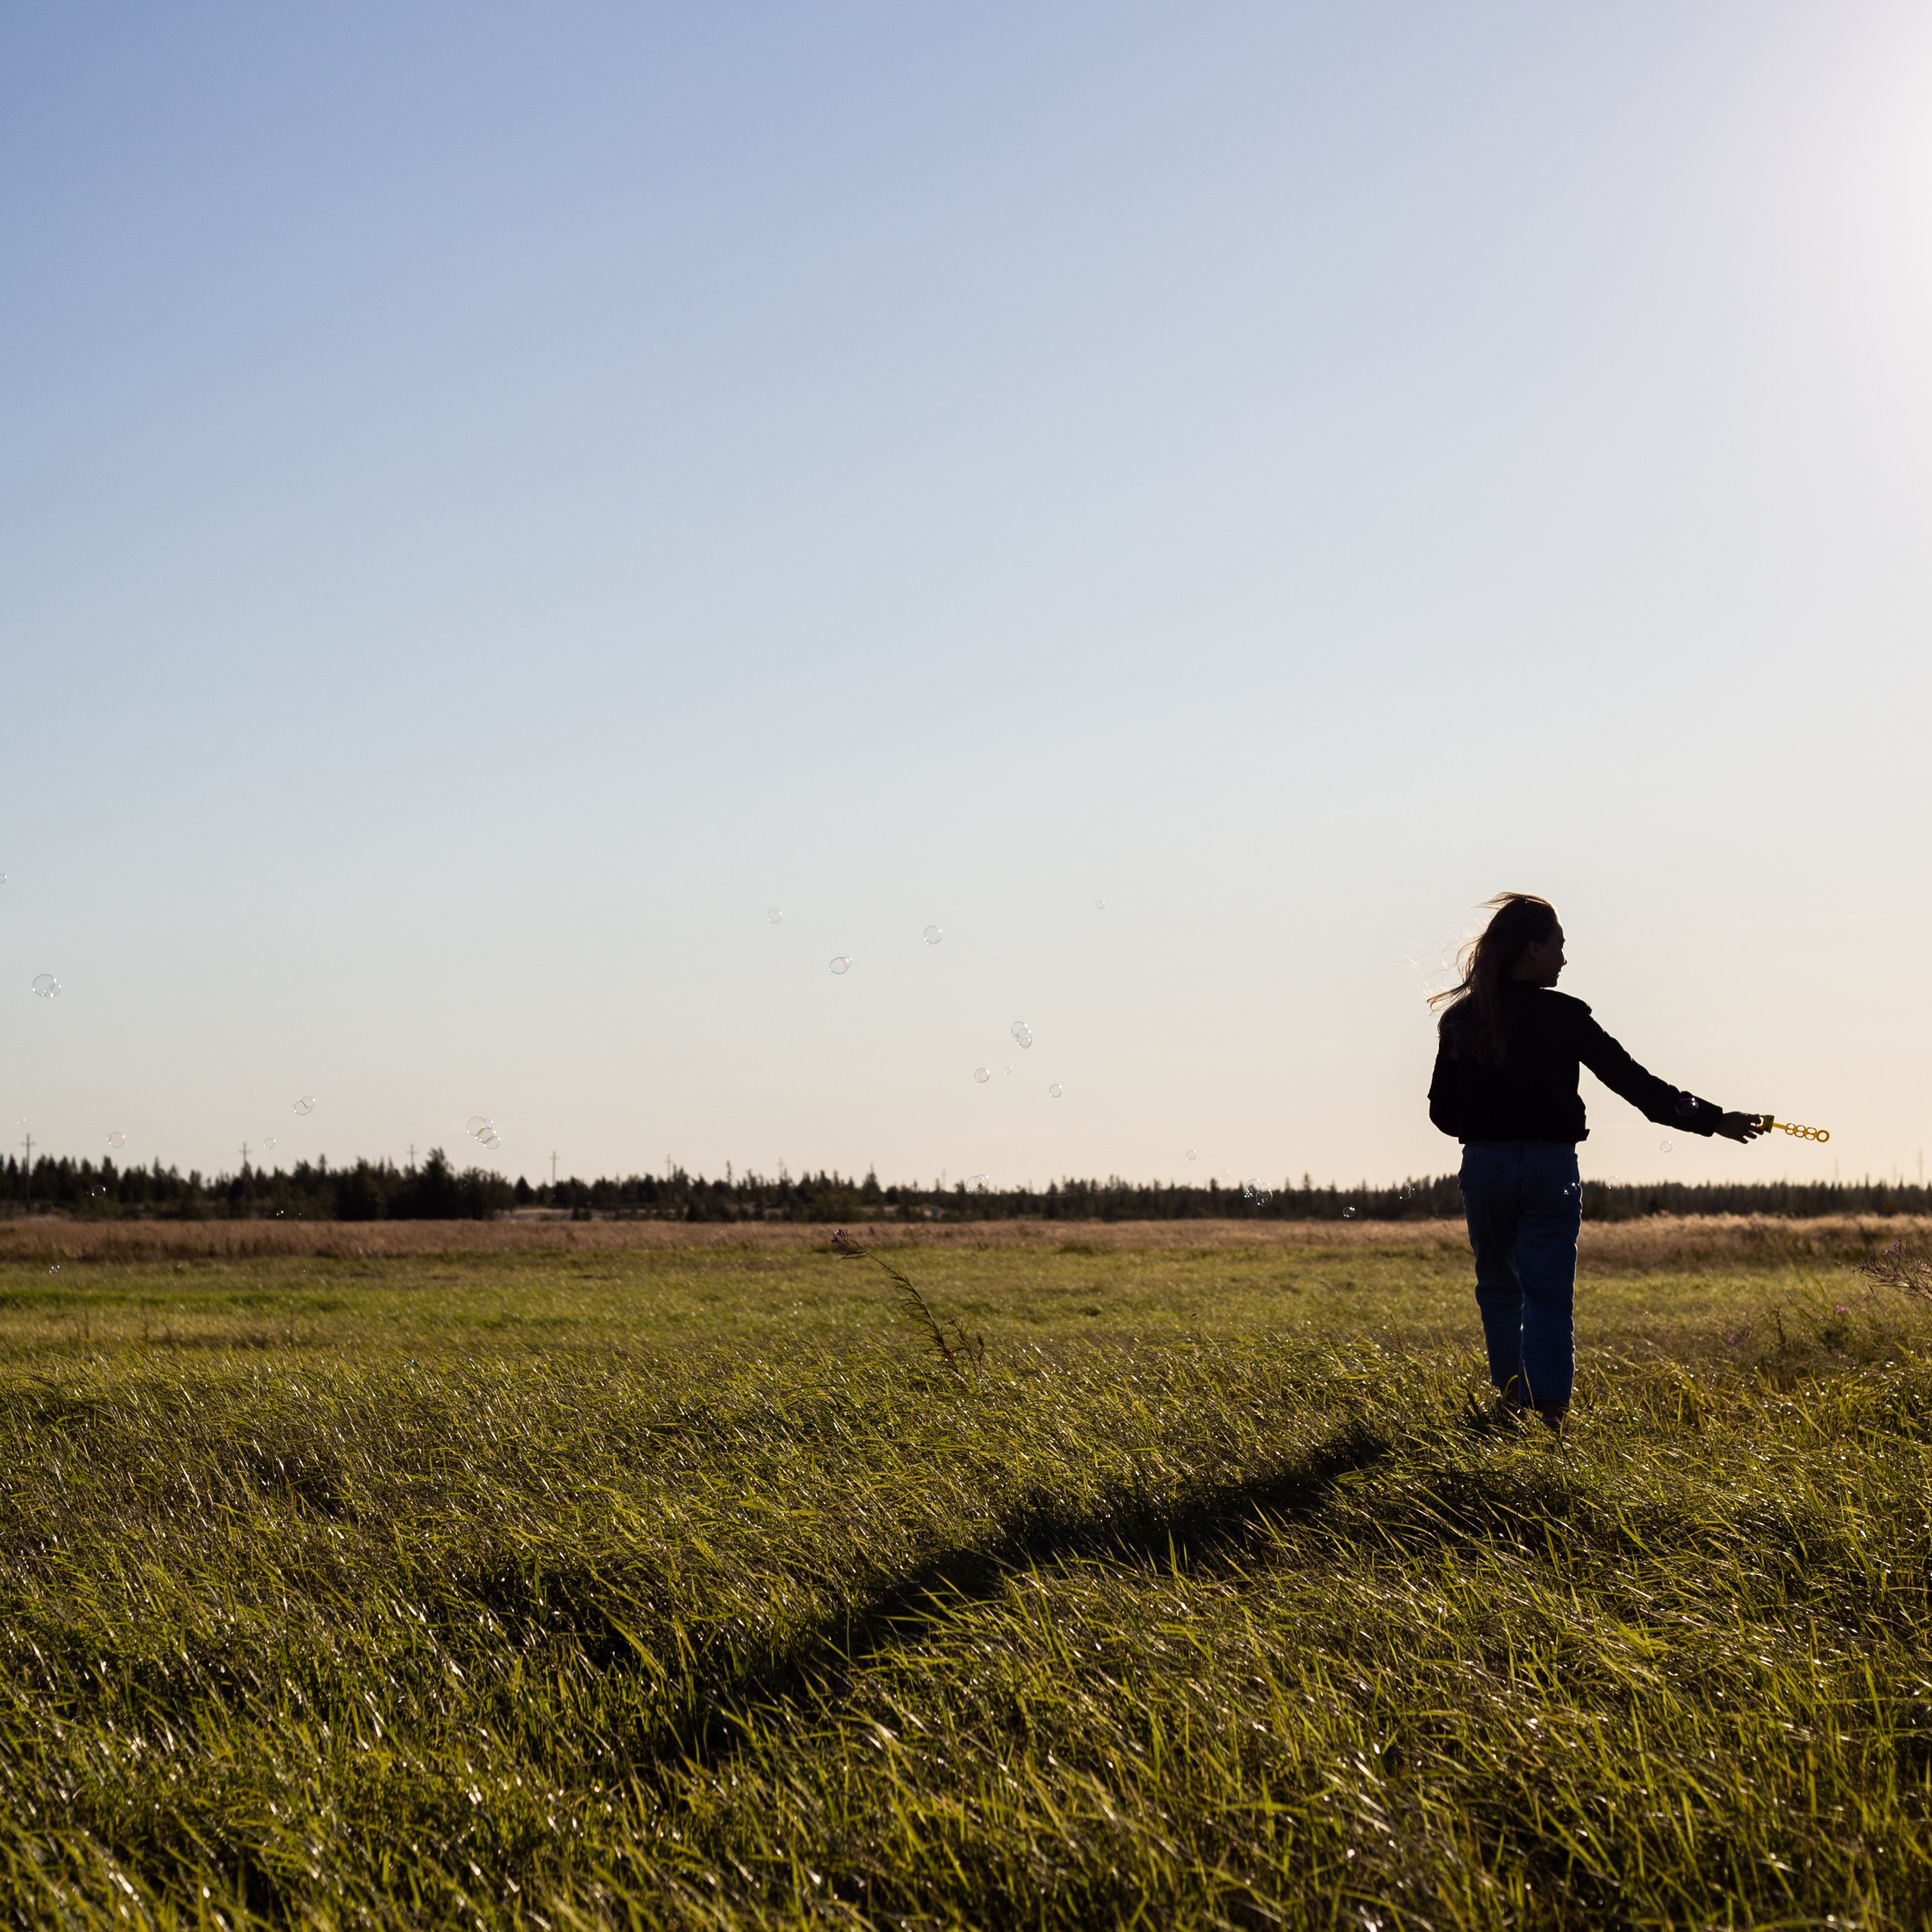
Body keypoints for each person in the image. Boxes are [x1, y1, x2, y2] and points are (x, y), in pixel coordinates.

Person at [1427, 893, 1761, 1428]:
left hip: (1484, 1166)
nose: (1564, 958)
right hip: (1550, 1169)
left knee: (1497, 1287)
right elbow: (1641, 1087)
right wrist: (1714, 1119)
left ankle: (1512, 1401)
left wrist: (1489, 1127)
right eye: (1559, 946)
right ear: (1534, 950)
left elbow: (1442, 1114)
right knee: (1549, 1294)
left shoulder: (1464, 1019)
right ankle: (1551, 1413)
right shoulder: (1566, 1016)